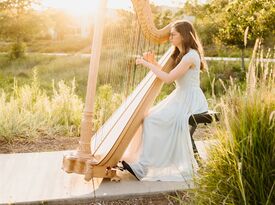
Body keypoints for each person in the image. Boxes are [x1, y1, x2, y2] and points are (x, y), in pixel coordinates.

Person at [122, 20, 208, 181]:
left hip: (190, 100)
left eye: (173, 34)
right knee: (148, 117)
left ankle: (143, 167)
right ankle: (141, 163)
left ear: (183, 36)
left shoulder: (190, 56)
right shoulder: (182, 55)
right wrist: (154, 63)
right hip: (180, 97)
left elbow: (168, 79)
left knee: (152, 120)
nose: (170, 37)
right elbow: (167, 74)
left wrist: (148, 65)